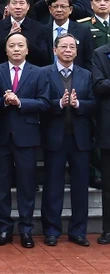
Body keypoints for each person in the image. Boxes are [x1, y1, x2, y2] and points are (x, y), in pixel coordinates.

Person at [0, 32, 49, 249]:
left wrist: (20, 102)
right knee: (1, 185)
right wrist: (5, 102)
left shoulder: (38, 73)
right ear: (5, 50)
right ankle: (4, 228)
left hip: (27, 136)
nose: (16, 49)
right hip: (2, 135)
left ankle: (26, 229)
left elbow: (44, 103)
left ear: (27, 49)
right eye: (12, 45)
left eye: (20, 45)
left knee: (26, 185)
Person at [41, 33, 95, 247]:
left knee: (80, 187)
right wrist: (59, 104)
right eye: (63, 46)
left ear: (76, 51)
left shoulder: (86, 75)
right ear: (55, 50)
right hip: (54, 136)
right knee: (53, 185)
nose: (68, 50)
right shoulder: (44, 73)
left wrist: (78, 104)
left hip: (80, 138)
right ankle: (51, 230)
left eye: (72, 47)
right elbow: (42, 103)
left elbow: (93, 103)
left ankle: (78, 231)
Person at [0, 0, 51, 66]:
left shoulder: (39, 28)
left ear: (28, 6)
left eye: (21, 3)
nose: (18, 7)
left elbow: (44, 57)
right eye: (14, 3)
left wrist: (23, 41)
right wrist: (8, 38)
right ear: (8, 6)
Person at [92, 36, 110, 245]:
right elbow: (98, 86)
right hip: (108, 128)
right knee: (108, 185)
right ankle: (107, 229)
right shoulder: (100, 52)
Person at [46, 0, 93, 70]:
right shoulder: (43, 30)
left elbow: (89, 58)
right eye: (55, 6)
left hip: (77, 76)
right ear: (50, 9)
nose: (59, 10)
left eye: (63, 6)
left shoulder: (83, 30)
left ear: (70, 9)